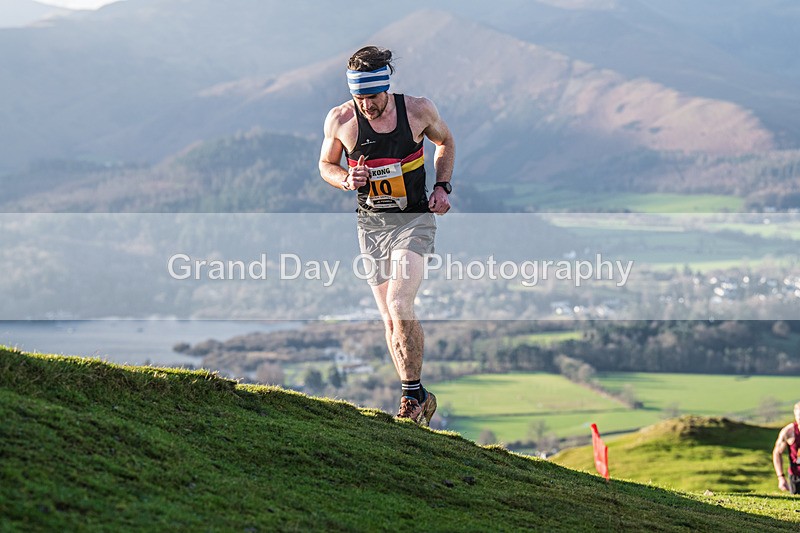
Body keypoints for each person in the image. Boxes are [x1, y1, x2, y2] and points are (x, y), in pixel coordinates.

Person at [318, 46, 455, 426]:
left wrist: (442, 186)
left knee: (398, 303)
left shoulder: (418, 111)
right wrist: (346, 178)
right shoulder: (341, 119)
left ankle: (410, 397)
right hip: (371, 226)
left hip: (413, 220)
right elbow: (326, 164)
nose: (367, 106)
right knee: (389, 319)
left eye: (373, 97)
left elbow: (445, 141)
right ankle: (418, 397)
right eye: (359, 97)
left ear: (386, 88)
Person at [772, 401, 800, 494]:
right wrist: (781, 477)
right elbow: (777, 452)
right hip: (796, 476)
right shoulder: (789, 431)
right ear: (795, 415)